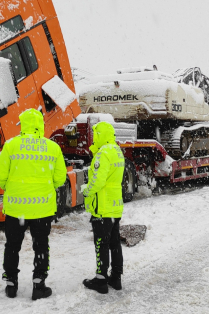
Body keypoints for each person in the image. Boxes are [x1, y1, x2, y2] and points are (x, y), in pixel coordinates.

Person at [0, 108, 67, 300]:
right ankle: (39, 285)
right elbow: (60, 179)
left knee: (12, 246)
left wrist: (12, 188)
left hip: (16, 209)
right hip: (42, 209)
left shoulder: (11, 145)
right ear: (40, 125)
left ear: (23, 125)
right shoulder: (52, 147)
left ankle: (11, 284)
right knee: (41, 246)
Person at [81, 121, 125, 294]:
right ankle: (116, 277)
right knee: (114, 243)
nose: (94, 138)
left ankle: (101, 280)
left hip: (102, 206)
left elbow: (98, 180)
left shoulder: (103, 153)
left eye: (96, 135)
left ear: (101, 136)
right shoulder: (117, 151)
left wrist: (87, 191)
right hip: (115, 205)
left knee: (101, 243)